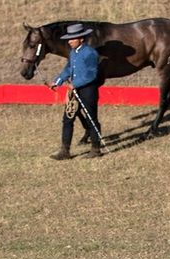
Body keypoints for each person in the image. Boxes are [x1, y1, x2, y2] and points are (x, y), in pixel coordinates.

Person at [48, 23, 103, 160]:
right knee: (67, 119)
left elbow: (91, 74)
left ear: (81, 39)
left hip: (88, 90)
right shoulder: (73, 53)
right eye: (69, 39)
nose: (69, 41)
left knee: (91, 118)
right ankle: (65, 151)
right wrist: (58, 81)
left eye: (72, 39)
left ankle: (96, 149)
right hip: (74, 90)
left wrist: (75, 84)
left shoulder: (90, 53)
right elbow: (68, 69)